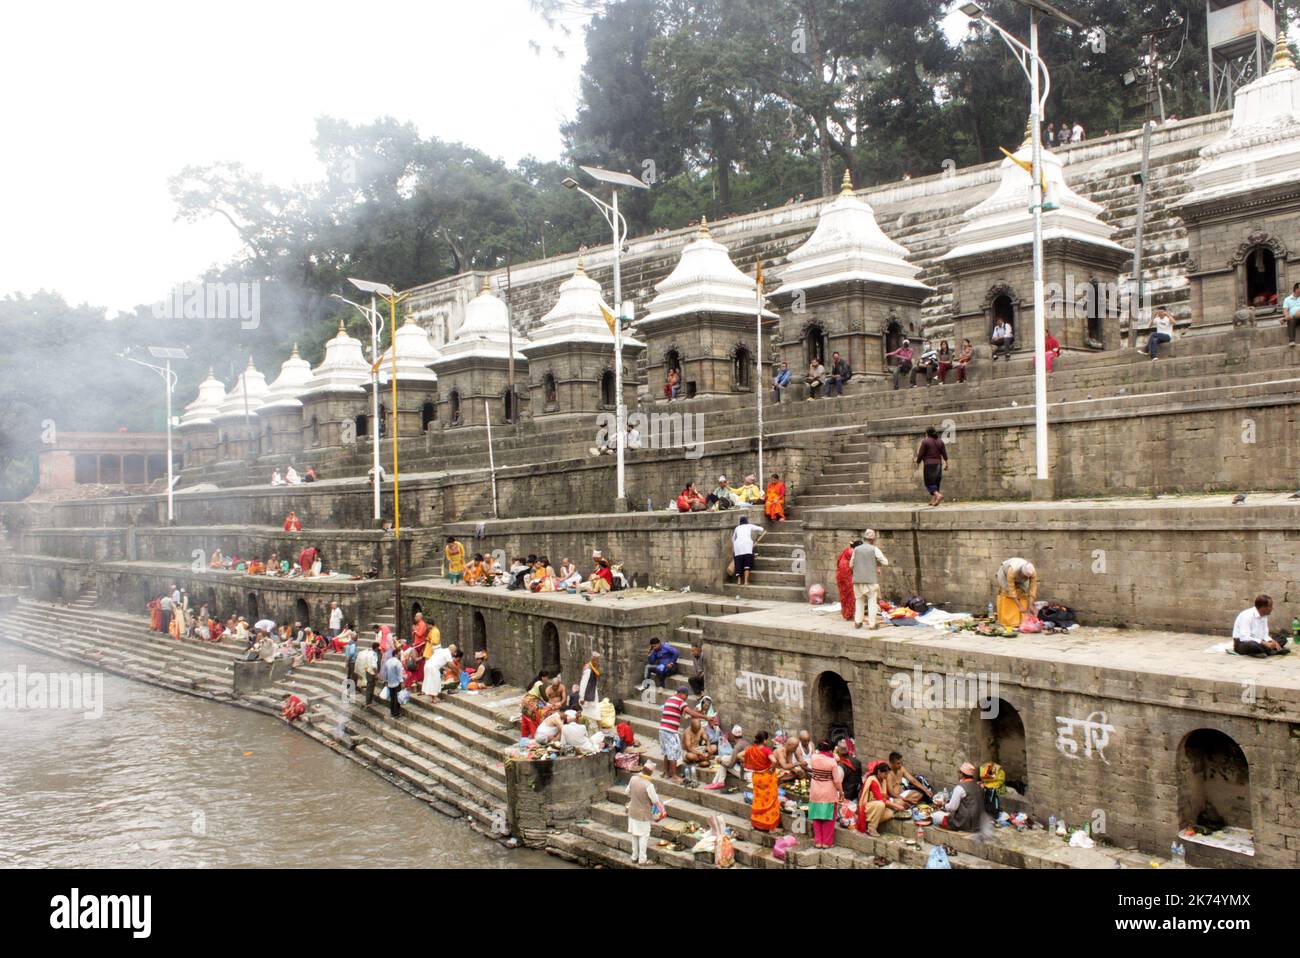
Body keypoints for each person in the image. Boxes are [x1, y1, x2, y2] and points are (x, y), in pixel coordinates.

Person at [659, 685, 706, 782]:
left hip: (663, 729)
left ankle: (666, 773)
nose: (687, 698)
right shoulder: (680, 701)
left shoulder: (669, 699)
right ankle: (674, 776)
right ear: (683, 694)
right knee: (673, 752)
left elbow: (677, 712)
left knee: (667, 752)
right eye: (687, 696)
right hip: (669, 731)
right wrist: (706, 717)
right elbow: (691, 713)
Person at [626, 760, 663, 865]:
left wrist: (635, 798)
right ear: (650, 773)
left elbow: (627, 792)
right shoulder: (648, 785)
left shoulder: (633, 779)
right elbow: (655, 801)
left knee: (634, 834)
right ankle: (642, 860)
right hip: (643, 814)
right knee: (644, 835)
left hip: (632, 811)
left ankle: (634, 857)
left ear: (642, 769)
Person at [808, 740, 844, 849]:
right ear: (831, 749)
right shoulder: (832, 762)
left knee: (816, 816)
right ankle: (827, 842)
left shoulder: (813, 757)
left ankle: (818, 841)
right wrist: (841, 792)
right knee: (829, 818)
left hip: (815, 790)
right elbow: (837, 781)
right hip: (828, 792)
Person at [856, 760, 906, 837]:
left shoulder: (883, 780)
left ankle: (869, 821)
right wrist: (897, 806)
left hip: (875, 807)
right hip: (867, 807)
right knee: (881, 804)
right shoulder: (873, 781)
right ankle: (871, 828)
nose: (886, 776)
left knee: (890, 813)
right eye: (885, 773)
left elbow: (885, 796)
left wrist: (896, 802)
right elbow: (881, 799)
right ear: (879, 772)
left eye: (887, 774)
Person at [744, 731, 781, 832]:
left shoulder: (751, 749)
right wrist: (772, 769)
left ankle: (756, 823)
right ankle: (769, 825)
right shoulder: (766, 750)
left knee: (758, 800)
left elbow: (740, 756)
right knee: (770, 800)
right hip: (766, 778)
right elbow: (774, 761)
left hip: (756, 777)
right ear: (764, 740)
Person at [852, 530, 889, 630]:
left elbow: (851, 564)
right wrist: (876, 563)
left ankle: (858, 622)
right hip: (870, 580)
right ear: (873, 539)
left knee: (859, 600)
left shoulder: (856, 549)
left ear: (864, 538)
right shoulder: (874, 549)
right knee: (871, 601)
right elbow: (885, 562)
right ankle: (872, 624)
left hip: (857, 580)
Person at [941, 761, 985, 831]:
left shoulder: (960, 788)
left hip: (966, 823)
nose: (958, 774)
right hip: (979, 822)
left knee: (936, 817)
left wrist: (944, 805)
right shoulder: (978, 785)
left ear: (962, 774)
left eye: (959, 772)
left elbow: (952, 807)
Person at [996, 557, 1038, 629]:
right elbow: (1012, 590)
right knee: (1007, 592)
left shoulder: (1032, 572)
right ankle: (1008, 621)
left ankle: (1021, 620)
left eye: (1026, 577)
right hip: (1004, 575)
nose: (1025, 578)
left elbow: (1032, 588)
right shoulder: (1012, 570)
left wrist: (1030, 605)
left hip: (1018, 576)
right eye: (1024, 576)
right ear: (1021, 572)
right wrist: (1019, 606)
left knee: (1023, 592)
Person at [915, 425, 949, 507]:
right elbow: (944, 454)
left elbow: (921, 454)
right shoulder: (940, 441)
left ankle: (938, 495)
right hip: (939, 464)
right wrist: (947, 464)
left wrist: (917, 462)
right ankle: (934, 500)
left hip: (929, 464)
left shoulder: (925, 441)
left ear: (927, 433)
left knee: (929, 482)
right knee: (936, 482)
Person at [732, 515, 764, 586]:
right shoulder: (749, 526)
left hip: (738, 548)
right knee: (747, 564)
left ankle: (739, 581)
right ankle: (746, 582)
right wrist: (759, 534)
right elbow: (761, 529)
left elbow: (733, 539)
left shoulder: (737, 528)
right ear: (746, 521)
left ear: (740, 522)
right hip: (747, 547)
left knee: (738, 564)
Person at [835, 538, 860, 621]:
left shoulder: (846, 550)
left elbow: (838, 561)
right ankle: (849, 614)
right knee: (850, 596)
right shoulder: (853, 552)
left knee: (843, 595)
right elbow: (855, 564)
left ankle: (845, 613)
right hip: (847, 576)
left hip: (839, 575)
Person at [578, 652, 602, 721]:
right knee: (591, 713)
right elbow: (583, 684)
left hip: (592, 693)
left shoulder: (594, 667)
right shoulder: (588, 669)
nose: (598, 663)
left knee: (593, 713)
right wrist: (582, 698)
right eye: (597, 661)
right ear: (593, 661)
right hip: (587, 696)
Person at [383, 650, 405, 717]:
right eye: (399, 654)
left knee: (392, 698)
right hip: (396, 683)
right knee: (397, 699)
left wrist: (386, 681)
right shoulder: (398, 662)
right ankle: (396, 713)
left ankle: (392, 712)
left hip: (390, 683)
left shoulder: (388, 662)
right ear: (396, 654)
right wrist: (402, 682)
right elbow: (399, 674)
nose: (400, 655)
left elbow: (385, 673)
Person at [1283, 282, 1300, 347]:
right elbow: (1285, 310)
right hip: (1294, 320)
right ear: (1296, 289)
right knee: (1291, 320)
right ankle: (1291, 341)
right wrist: (1287, 316)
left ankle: (1287, 318)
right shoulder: (1287, 299)